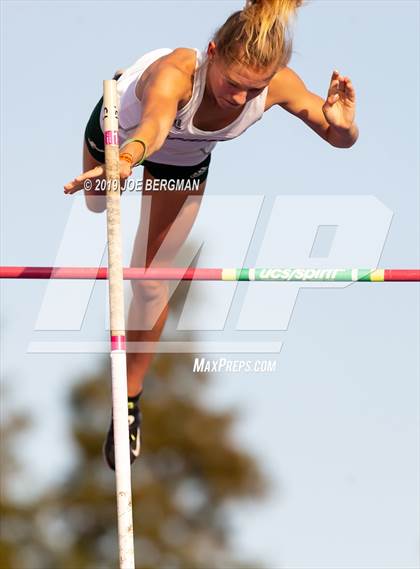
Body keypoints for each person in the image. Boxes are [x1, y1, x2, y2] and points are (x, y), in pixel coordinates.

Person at [63, 0, 358, 470]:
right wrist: (124, 162)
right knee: (97, 201)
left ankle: (129, 403)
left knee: (152, 279)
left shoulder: (276, 85)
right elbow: (156, 127)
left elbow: (337, 136)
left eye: (253, 90)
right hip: (125, 133)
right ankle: (124, 86)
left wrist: (344, 128)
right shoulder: (179, 72)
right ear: (212, 52)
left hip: (185, 160)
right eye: (233, 85)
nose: (239, 100)